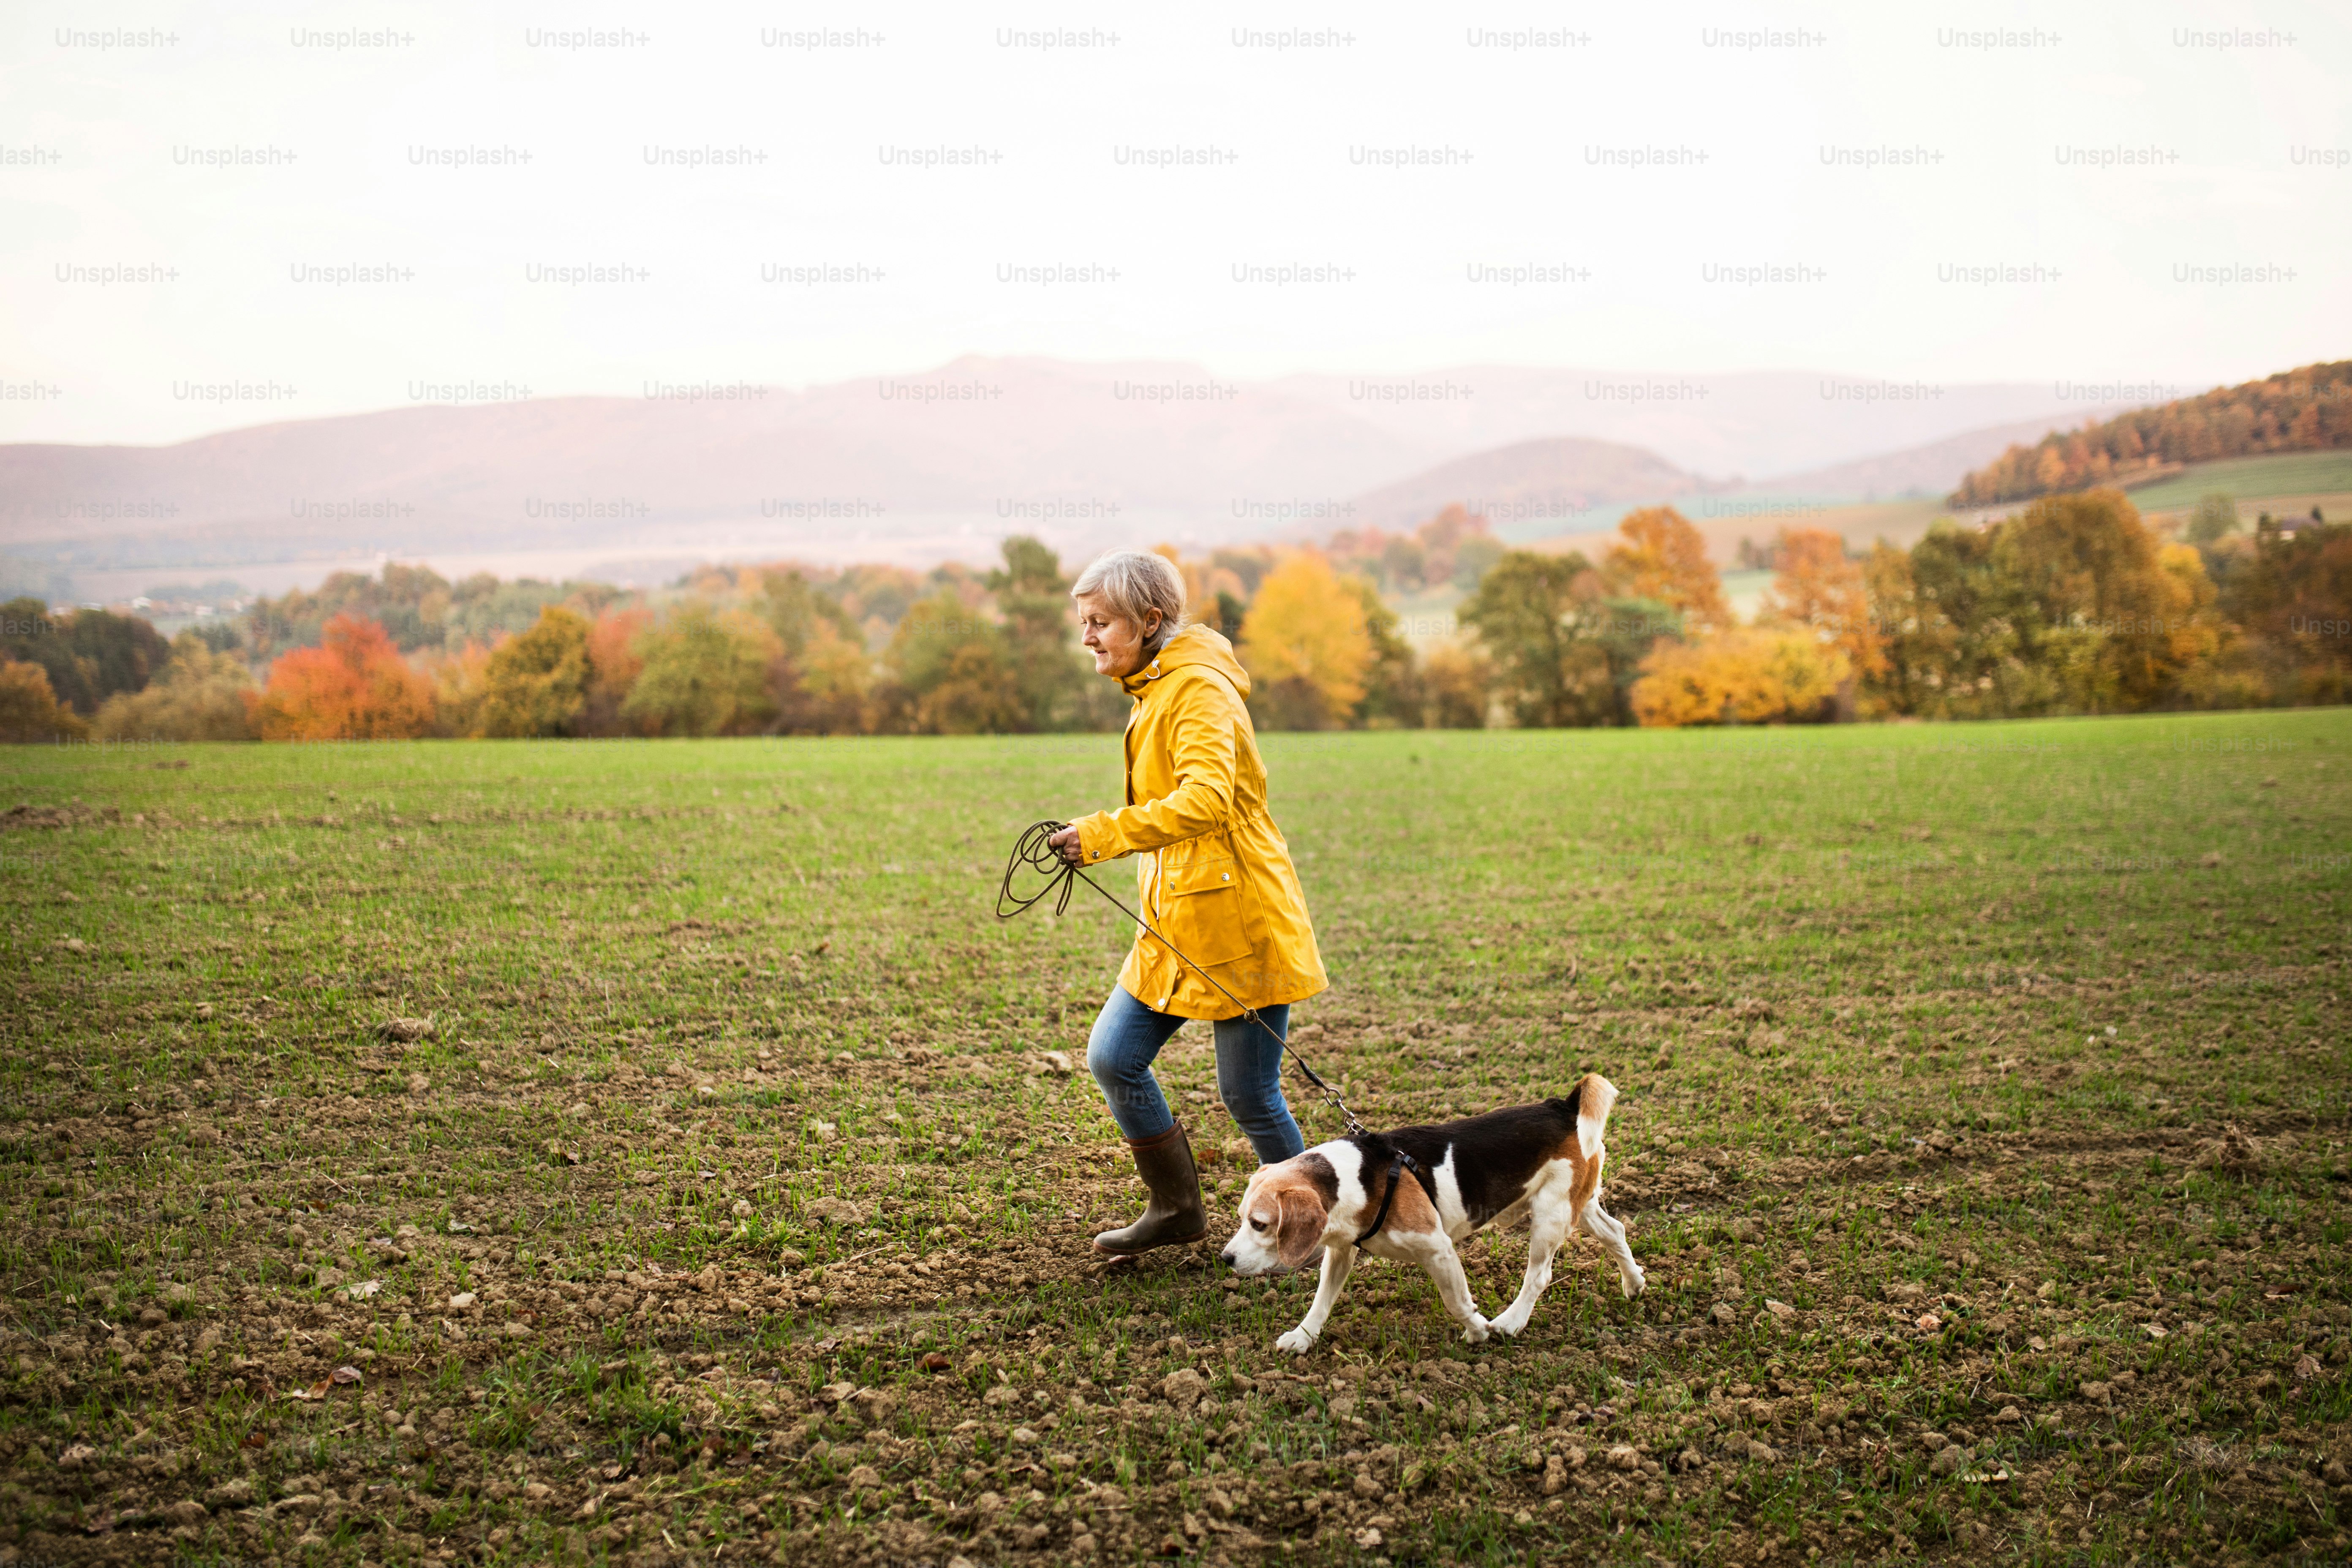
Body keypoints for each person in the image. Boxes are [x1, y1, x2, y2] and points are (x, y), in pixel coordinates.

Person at [1049, 550, 1328, 1256]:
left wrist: (1103, 834)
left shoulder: (1197, 689)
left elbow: (1204, 800)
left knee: (1251, 1095)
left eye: (1100, 622)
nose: (1088, 636)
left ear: (1150, 621)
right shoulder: (1155, 686)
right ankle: (1177, 1210)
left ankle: (1311, 1233)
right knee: (1114, 1057)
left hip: (1239, 921)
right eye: (1084, 622)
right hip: (1176, 919)